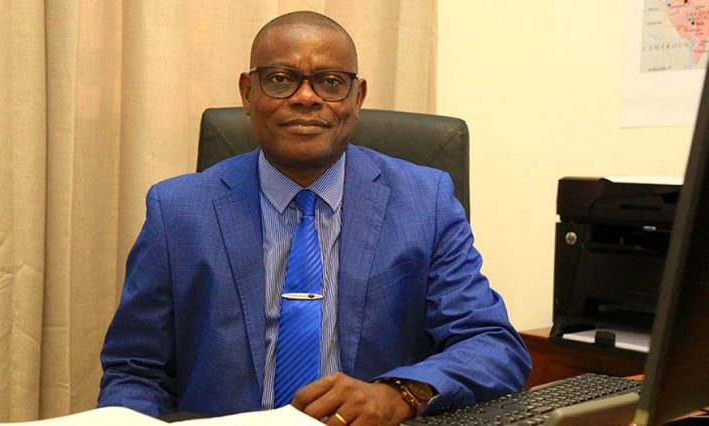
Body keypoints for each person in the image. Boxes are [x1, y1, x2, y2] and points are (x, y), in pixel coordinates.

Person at [98, 11, 531, 425]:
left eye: (330, 82)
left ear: (357, 98)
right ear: (248, 93)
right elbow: (135, 371)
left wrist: (397, 395)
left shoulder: (425, 202)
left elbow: (492, 346)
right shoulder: (177, 210)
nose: (306, 98)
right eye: (281, 79)